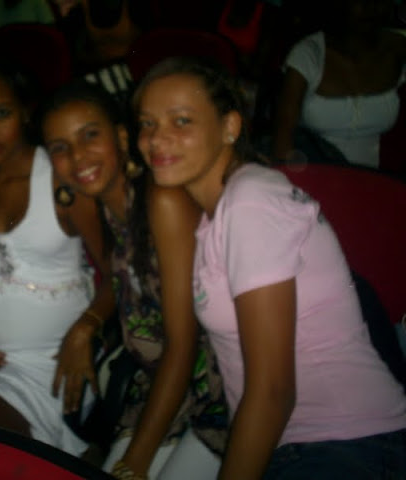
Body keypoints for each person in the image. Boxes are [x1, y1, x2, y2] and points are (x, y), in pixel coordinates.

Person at [134, 56, 406, 480]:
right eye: (147, 124)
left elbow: (274, 393)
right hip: (299, 444)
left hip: (349, 443)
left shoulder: (252, 201)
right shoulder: (216, 217)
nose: (156, 138)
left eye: (181, 120)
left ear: (230, 127)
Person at [39, 80, 228, 479]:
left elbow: (184, 343)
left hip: (216, 387)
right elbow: (117, 278)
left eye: (90, 135)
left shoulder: (162, 201)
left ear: (122, 138)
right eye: (60, 147)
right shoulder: (102, 206)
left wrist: (135, 462)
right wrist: (85, 326)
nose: (77, 156)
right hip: (156, 384)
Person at [0, 54, 115, 457]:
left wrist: (84, 331)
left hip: (62, 361)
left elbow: (118, 275)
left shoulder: (60, 181)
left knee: (10, 458)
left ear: (25, 111)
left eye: (0, 112)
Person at [271, 0, 406, 168]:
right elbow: (283, 135)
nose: (371, 7)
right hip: (315, 173)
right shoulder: (309, 54)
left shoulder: (397, 50)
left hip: (378, 177)